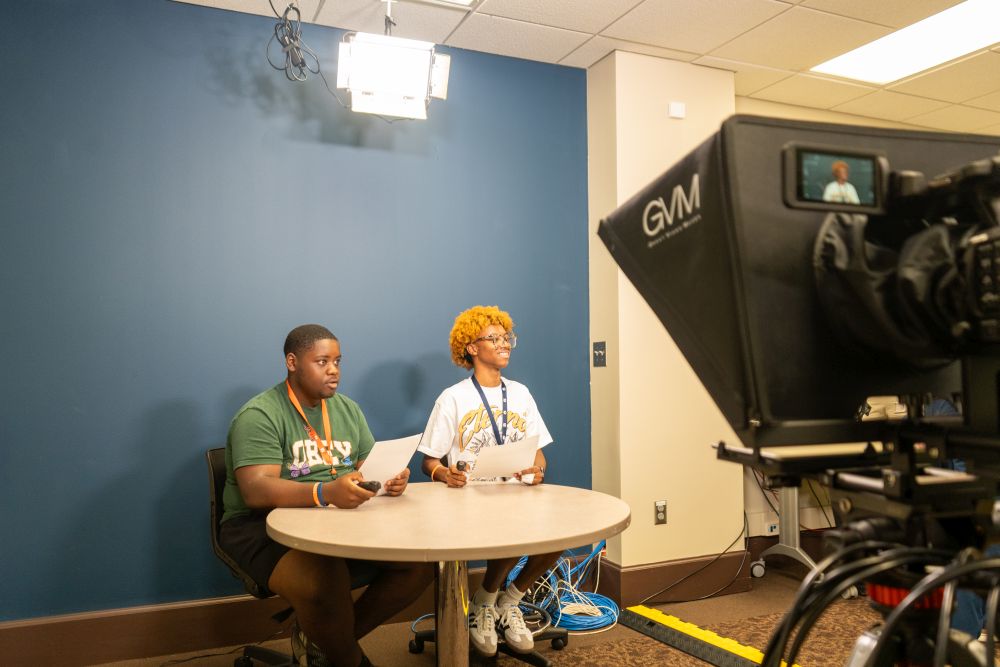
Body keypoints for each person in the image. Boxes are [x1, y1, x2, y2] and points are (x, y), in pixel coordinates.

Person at [220, 324, 432, 667]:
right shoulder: (260, 414)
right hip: (262, 524)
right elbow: (256, 490)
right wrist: (325, 492)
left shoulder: (347, 409)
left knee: (419, 565)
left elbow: (367, 466)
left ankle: (319, 640)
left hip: (332, 518)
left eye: (337, 361)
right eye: (322, 361)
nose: (333, 370)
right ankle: (347, 657)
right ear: (292, 362)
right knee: (323, 580)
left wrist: (391, 480)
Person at [417, 305, 562, 657]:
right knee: (509, 527)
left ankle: (503, 602)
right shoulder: (453, 397)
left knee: (564, 530)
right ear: (471, 347)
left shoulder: (522, 393)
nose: (505, 344)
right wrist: (443, 473)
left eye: (507, 337)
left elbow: (538, 451)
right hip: (470, 500)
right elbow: (428, 462)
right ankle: (485, 603)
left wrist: (537, 470)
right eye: (494, 338)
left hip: (516, 493)